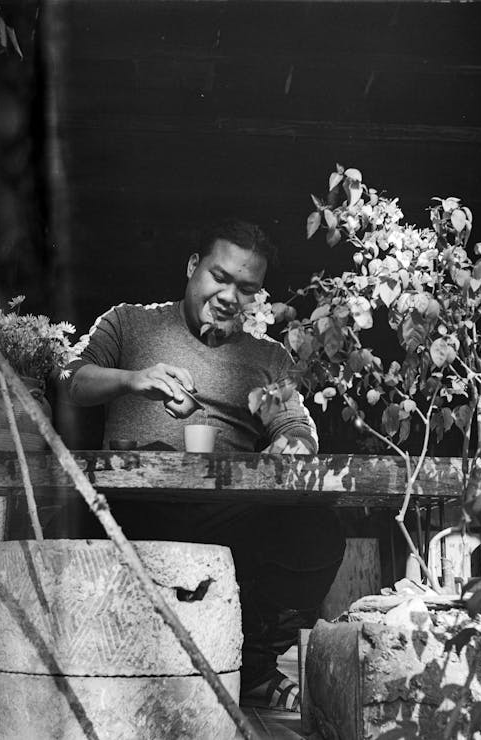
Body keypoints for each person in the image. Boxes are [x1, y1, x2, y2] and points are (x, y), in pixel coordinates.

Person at [66, 218, 345, 712]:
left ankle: (253, 666)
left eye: (247, 288)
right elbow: (72, 380)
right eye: (219, 276)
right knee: (66, 516)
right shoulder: (130, 323)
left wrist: (294, 445)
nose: (229, 296)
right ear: (193, 266)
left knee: (317, 532)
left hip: (228, 519)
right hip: (133, 508)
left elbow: (296, 428)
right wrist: (133, 380)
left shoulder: (267, 356)